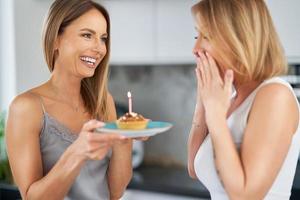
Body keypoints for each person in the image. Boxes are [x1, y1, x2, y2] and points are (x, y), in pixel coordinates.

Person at [6, 1, 134, 199]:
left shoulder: (103, 102)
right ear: (56, 38)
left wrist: (124, 141)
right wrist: (77, 152)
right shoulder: (27, 107)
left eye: (103, 38)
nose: (99, 48)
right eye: (87, 35)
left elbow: (115, 193)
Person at [187, 0, 300, 199]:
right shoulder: (231, 100)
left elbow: (245, 195)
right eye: (196, 35)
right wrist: (202, 103)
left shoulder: (275, 95)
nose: (195, 48)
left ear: (237, 38)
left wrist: (215, 116)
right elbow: (194, 169)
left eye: (206, 36)